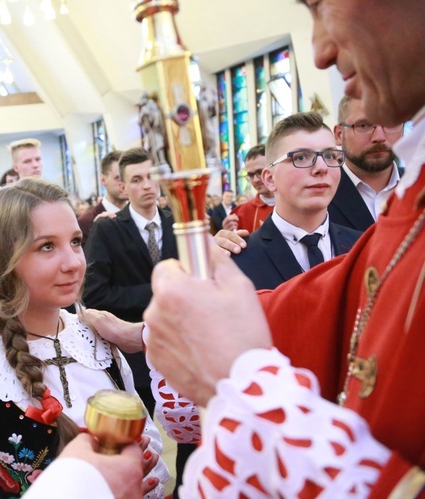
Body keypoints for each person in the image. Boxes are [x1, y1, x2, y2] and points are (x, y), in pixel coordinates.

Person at [139, 0, 425, 495]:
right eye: (302, 158)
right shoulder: (243, 248)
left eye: (321, 6)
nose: (320, 51)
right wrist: (204, 304)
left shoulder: (368, 225)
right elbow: (344, 295)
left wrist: (245, 379)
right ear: (268, 179)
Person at [0, 178, 168, 498]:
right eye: (47, 246)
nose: (73, 263)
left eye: (76, 242)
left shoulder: (96, 342)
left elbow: (148, 444)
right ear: (2, 260)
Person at [83, 147, 177, 415]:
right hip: (134, 353)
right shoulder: (107, 229)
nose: (147, 185)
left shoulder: (177, 223)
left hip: (181, 345)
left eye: (150, 176)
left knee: (193, 435)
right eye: (136, 179)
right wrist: (159, 291)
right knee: (137, 430)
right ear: (123, 186)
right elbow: (95, 294)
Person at [231, 112, 361, 290]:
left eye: (330, 156)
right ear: (269, 179)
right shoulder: (239, 261)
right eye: (301, 157)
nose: (321, 168)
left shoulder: (361, 247)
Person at [329, 95, 405, 231]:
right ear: (339, 134)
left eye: (390, 124)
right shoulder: (322, 195)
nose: (379, 137)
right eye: (363, 125)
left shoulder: (419, 186)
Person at [77, 150, 128, 245]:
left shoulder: (137, 214)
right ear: (103, 180)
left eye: (128, 177)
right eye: (119, 178)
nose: (125, 183)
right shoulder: (87, 221)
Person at [221, 145, 275, 234]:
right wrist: (227, 235)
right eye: (250, 175)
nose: (255, 180)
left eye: (260, 172)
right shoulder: (241, 213)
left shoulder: (296, 206)